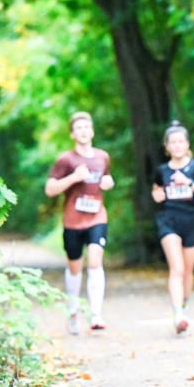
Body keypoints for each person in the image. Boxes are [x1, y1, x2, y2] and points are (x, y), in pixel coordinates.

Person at [45, 111, 115, 335]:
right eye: (79, 128)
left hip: (97, 217)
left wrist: (108, 182)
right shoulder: (66, 160)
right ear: (72, 134)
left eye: (87, 127)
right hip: (73, 221)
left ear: (92, 131)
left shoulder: (102, 157)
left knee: (95, 261)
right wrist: (74, 177)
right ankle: (73, 310)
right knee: (75, 268)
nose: (84, 131)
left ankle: (96, 315)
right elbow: (50, 189)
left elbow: (107, 179)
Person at [152, 121, 194, 334]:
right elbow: (156, 191)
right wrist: (157, 195)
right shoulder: (162, 170)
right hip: (168, 221)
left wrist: (188, 182)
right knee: (177, 269)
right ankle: (178, 313)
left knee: (187, 272)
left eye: (181, 142)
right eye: (173, 142)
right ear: (166, 146)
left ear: (187, 144)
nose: (177, 146)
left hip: (191, 222)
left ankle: (183, 305)